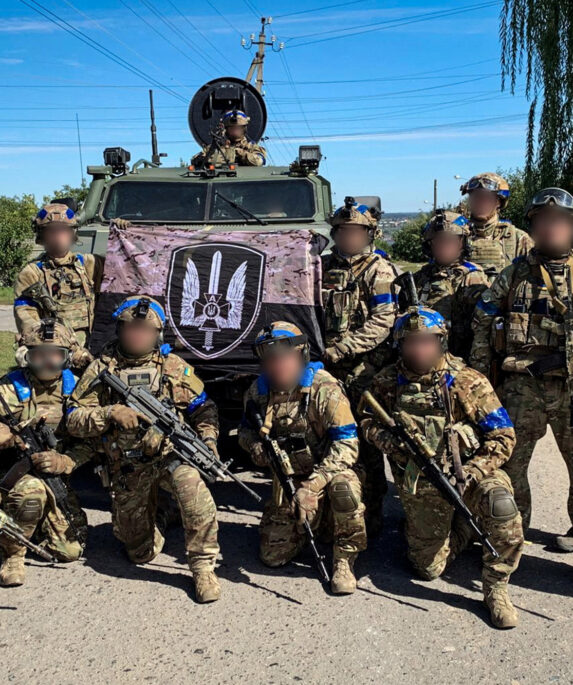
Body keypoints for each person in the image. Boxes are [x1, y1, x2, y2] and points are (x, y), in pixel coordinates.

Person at [361, 306, 523, 628]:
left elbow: (504, 436)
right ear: (400, 344)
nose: (419, 349)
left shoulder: (466, 381)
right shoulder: (388, 382)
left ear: (441, 342)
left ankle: (496, 586)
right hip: (421, 484)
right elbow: (367, 420)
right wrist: (392, 444)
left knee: (501, 506)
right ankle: (462, 529)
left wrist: (474, 471)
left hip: (468, 475)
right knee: (428, 569)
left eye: (427, 341)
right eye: (412, 342)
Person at [66, 296, 222, 602]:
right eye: (131, 328)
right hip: (127, 466)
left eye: (146, 330)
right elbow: (72, 418)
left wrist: (209, 440)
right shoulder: (101, 368)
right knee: (140, 553)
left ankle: (203, 566)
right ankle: (162, 514)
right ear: (119, 329)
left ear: (157, 335)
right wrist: (109, 413)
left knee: (192, 485)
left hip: (168, 458)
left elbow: (204, 408)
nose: (138, 335)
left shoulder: (172, 366)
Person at [470, 187, 573, 549]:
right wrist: (482, 380)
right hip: (522, 387)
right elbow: (483, 320)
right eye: (542, 221)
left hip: (569, 387)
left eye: (559, 221)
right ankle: (511, 532)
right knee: (510, 465)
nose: (550, 228)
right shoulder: (515, 273)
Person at [239, 321, 367, 594]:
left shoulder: (324, 389)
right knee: (272, 556)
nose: (278, 365)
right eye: (270, 359)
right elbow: (244, 431)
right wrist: (255, 447)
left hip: (329, 474)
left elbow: (347, 445)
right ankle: (314, 524)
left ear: (301, 355)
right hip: (290, 479)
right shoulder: (258, 392)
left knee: (345, 488)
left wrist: (312, 486)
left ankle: (345, 557)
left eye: (285, 357)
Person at [322, 197, 399, 536]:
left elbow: (383, 321)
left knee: (366, 444)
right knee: (327, 438)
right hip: (325, 367)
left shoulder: (378, 270)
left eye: (355, 232)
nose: (349, 237)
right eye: (343, 231)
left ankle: (373, 510)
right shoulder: (320, 266)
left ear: (369, 234)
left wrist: (343, 348)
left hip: (363, 369)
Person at [0, 319, 89, 586]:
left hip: (55, 474)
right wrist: (8, 437)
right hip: (13, 472)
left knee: (70, 550)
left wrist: (67, 461)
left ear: (67, 357)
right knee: (32, 491)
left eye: (55, 355)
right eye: (39, 356)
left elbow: (94, 442)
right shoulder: (10, 388)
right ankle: (12, 555)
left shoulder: (79, 390)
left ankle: (25, 523)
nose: (47, 363)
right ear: (26, 357)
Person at [13, 203, 105, 370]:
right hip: (54, 355)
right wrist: (68, 349)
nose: (58, 236)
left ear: (73, 233)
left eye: (64, 230)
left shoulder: (90, 264)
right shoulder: (31, 273)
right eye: (52, 231)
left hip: (94, 350)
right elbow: (28, 321)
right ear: (42, 235)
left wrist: (123, 228)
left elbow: (124, 270)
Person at [412, 209, 489, 360]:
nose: (444, 247)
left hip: (460, 359)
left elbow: (483, 327)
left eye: (450, 241)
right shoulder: (420, 277)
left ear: (463, 243)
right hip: (424, 356)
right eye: (438, 241)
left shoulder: (472, 277)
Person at [460, 172, 533, 280]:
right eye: (476, 197)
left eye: (486, 198)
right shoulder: (457, 236)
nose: (480, 202)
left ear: (498, 202)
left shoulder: (518, 239)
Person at [192, 110, 266, 168]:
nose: (235, 131)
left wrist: (238, 152)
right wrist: (204, 159)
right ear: (226, 129)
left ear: (244, 128)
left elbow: (259, 161)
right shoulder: (215, 147)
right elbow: (195, 159)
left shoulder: (252, 147)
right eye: (232, 128)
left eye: (239, 128)